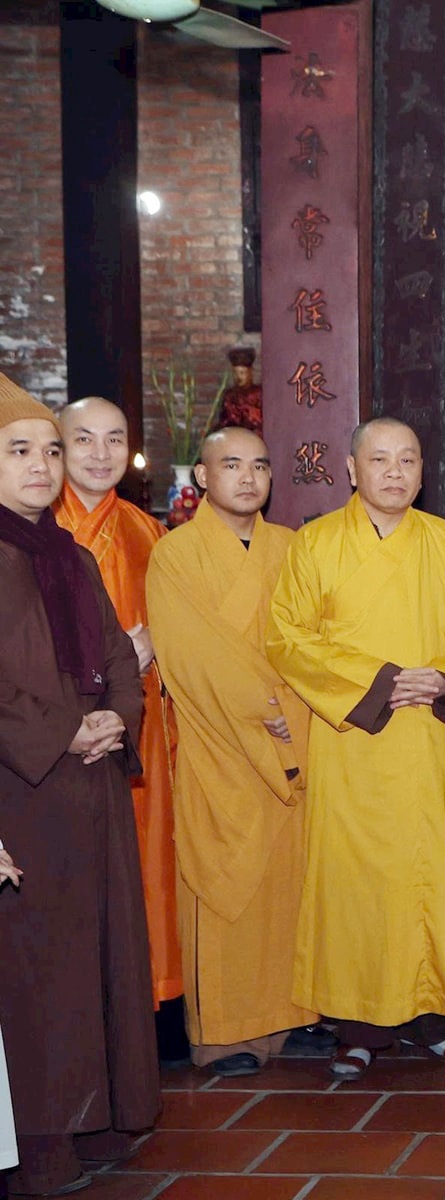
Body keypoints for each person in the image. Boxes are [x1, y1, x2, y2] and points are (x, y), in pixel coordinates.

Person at [267, 416, 445, 1080]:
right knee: (356, 884)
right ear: (351, 468)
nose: (395, 472)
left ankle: (436, 1018)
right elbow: (288, 638)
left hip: (429, 739)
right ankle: (358, 1024)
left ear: (423, 472)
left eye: (408, 460)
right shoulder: (316, 546)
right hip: (357, 741)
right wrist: (379, 683)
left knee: (435, 875)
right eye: (381, 460)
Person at [0, 374, 159, 1195]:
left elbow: (117, 656)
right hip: (20, 795)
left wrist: (115, 719)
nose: (42, 465)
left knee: (101, 957)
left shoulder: (67, 556)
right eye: (20, 450)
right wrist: (59, 728)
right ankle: (38, 1140)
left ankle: (101, 1115)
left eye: (48, 452)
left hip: (91, 783)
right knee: (37, 971)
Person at [145, 427, 320, 1078]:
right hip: (223, 743)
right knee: (226, 886)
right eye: (231, 465)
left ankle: (296, 1017)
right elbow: (190, 654)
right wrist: (263, 709)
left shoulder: (294, 549)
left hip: (295, 738)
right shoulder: (176, 555)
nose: (248, 477)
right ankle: (223, 1034)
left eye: (260, 466)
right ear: (200, 477)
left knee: (291, 885)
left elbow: (314, 638)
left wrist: (291, 711)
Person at [54, 396, 185, 1045]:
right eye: (85, 440)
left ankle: (152, 1005)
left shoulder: (143, 528)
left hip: (140, 724)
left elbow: (169, 615)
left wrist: (152, 641)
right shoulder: (33, 526)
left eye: (114, 440)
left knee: (147, 860)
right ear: (59, 447)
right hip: (59, 726)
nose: (101, 454)